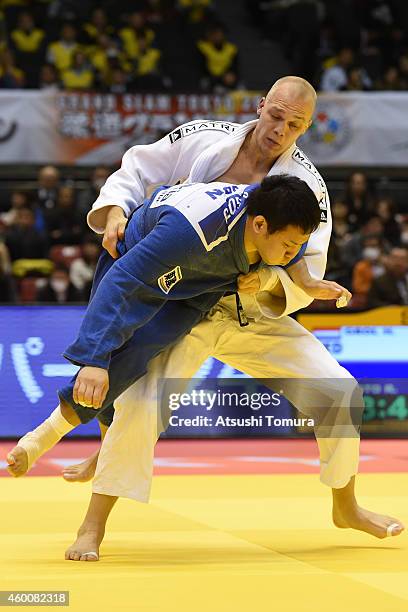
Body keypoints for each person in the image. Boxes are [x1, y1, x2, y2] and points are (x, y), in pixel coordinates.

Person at [10, 76, 404, 560]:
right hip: (185, 302)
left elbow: (306, 264)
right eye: (275, 115)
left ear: (308, 127)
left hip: (254, 313)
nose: (280, 128)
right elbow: (137, 166)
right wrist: (114, 210)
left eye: (294, 123)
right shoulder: (204, 136)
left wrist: (266, 283)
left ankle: (347, 505)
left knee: (338, 391)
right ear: (262, 106)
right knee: (141, 405)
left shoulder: (308, 187)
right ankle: (93, 527)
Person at [8, 174, 343, 476]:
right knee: (111, 360)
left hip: (200, 284)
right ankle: (43, 437)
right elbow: (121, 281)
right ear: (259, 226)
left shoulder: (271, 209)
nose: (294, 252)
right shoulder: (189, 235)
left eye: (298, 245)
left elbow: (291, 246)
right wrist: (93, 360)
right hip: (140, 259)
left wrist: (308, 282)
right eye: (288, 245)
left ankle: (103, 457)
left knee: (137, 359)